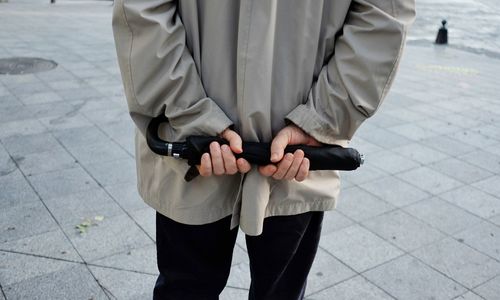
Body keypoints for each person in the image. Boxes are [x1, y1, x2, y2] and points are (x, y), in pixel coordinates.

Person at [112, 1, 415, 299]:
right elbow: (384, 15)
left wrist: (189, 113)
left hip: (263, 151)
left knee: (192, 287)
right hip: (268, 149)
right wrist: (322, 117)